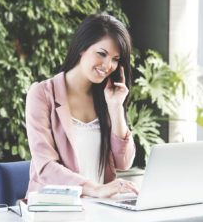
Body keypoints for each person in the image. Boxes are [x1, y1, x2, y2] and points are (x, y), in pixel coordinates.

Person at [26, 13, 138, 198]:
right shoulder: (42, 94)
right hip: (56, 208)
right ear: (81, 48)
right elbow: (45, 167)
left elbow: (123, 163)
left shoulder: (107, 97)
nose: (108, 65)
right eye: (101, 54)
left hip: (101, 210)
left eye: (115, 59)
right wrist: (95, 189)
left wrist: (116, 108)